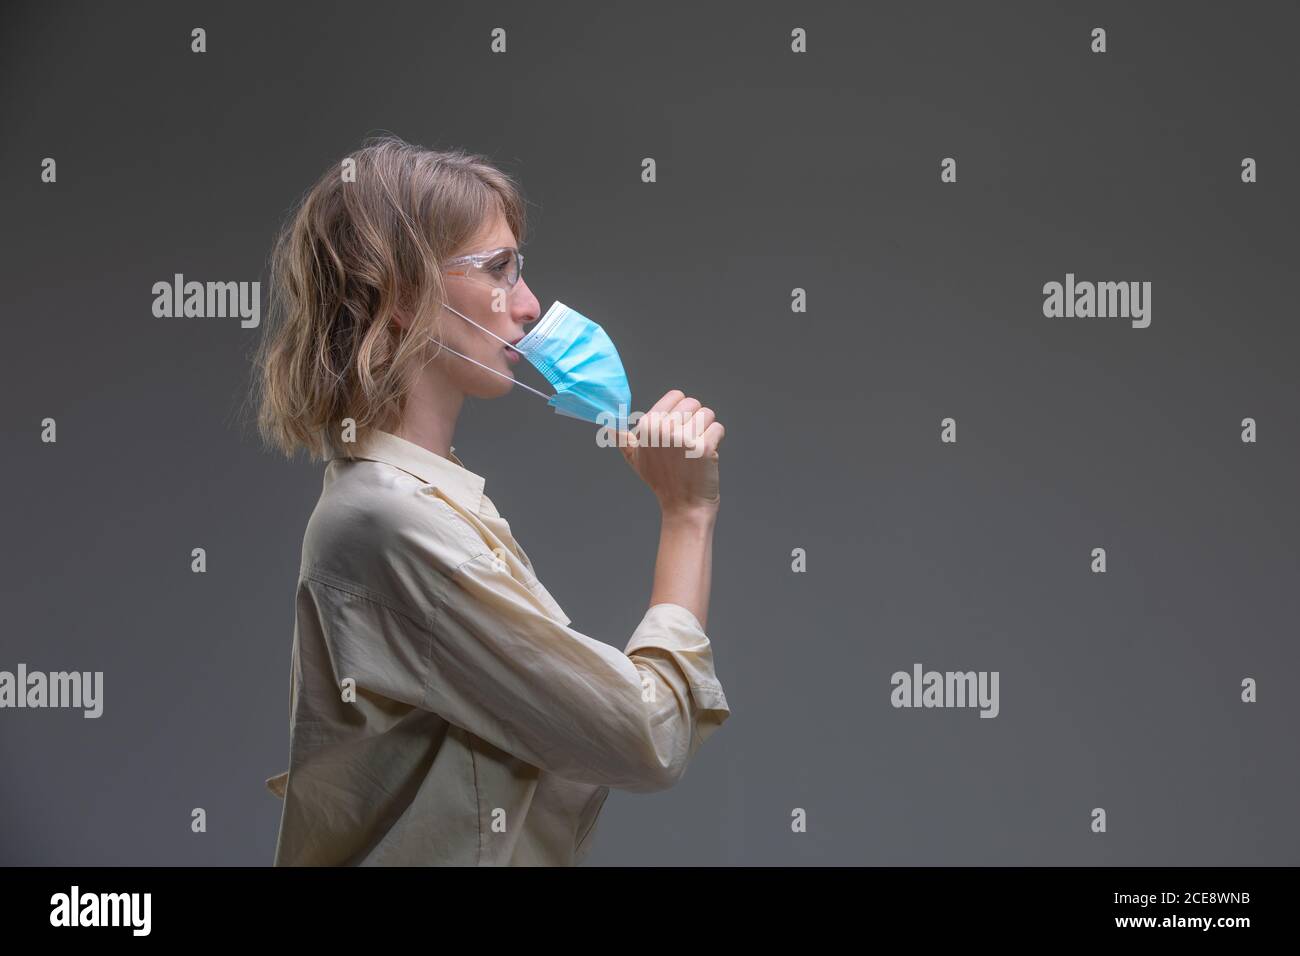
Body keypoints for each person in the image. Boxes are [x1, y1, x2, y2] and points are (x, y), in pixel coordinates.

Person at [250, 135, 730, 865]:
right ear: (403, 294)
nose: (530, 305)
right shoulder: (391, 522)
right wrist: (687, 516)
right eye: (499, 270)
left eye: (521, 266)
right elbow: (647, 736)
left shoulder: (419, 499)